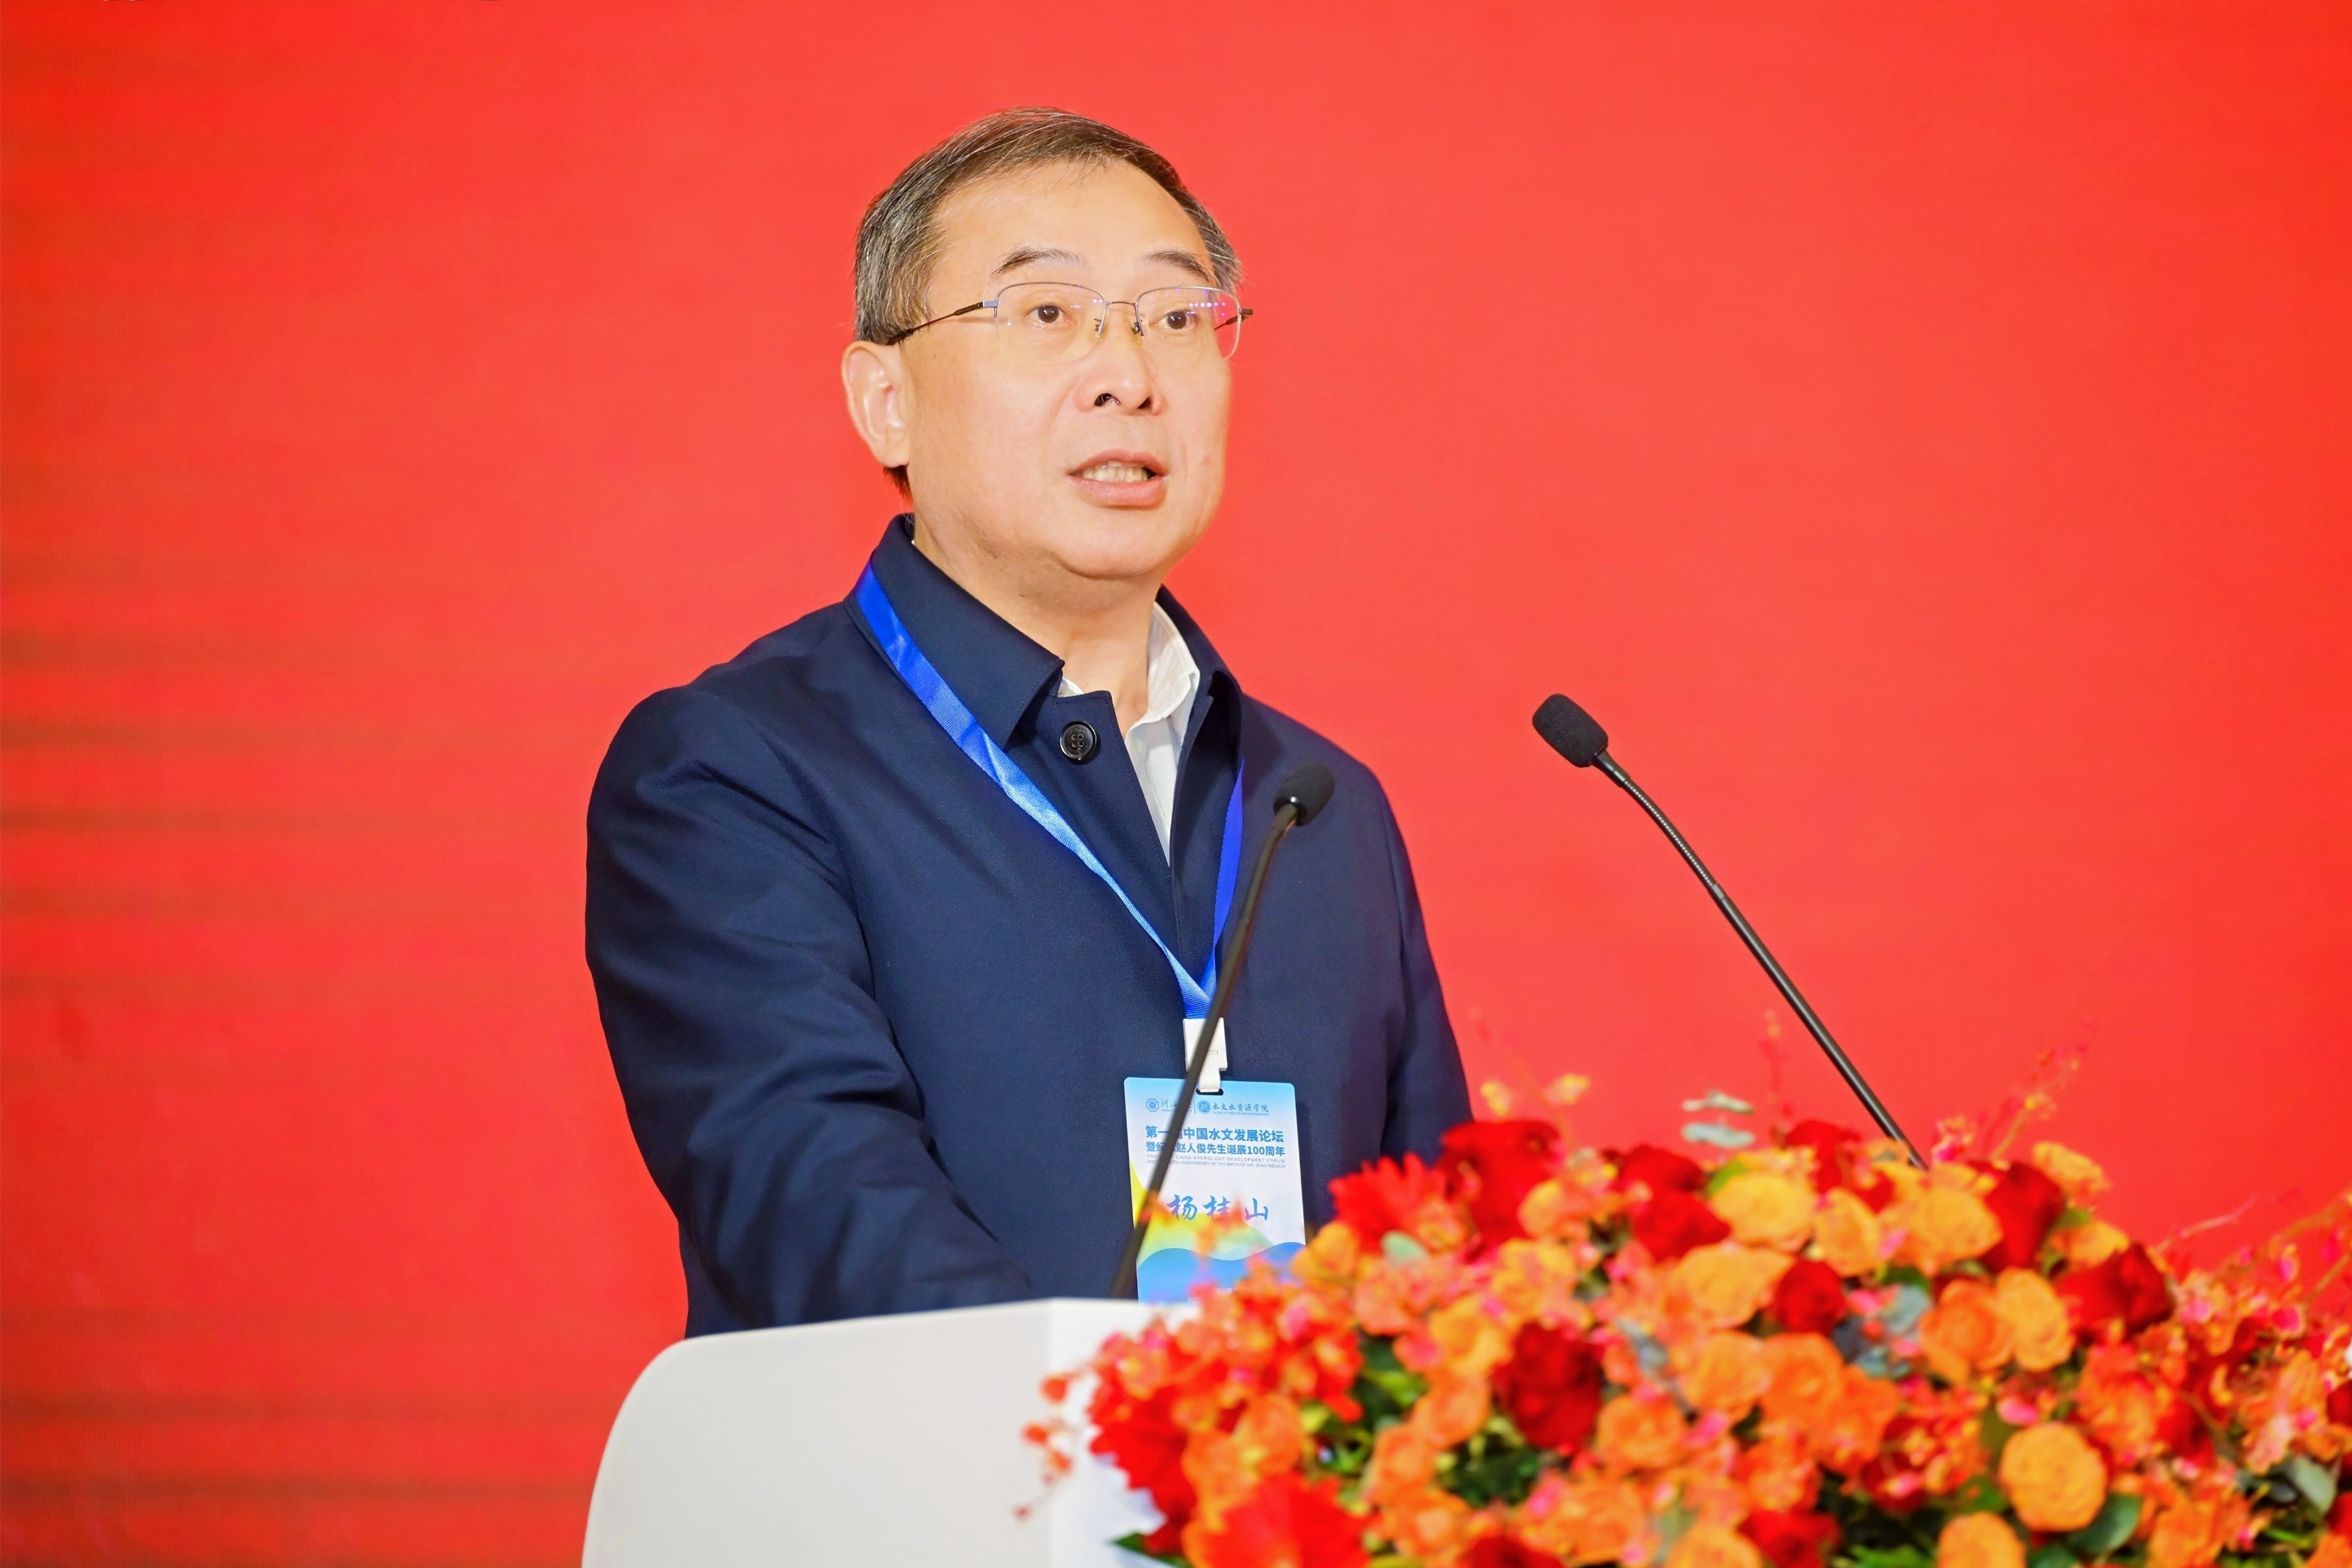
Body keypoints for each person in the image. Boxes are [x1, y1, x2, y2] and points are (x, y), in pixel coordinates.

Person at [586, 108, 1469, 1333]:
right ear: (886, 402)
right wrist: (1130, 1438)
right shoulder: (735, 776)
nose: (1130, 374)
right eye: (1048, 313)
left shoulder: (1317, 807)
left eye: (1176, 317)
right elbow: (830, 1225)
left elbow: (1440, 1266)